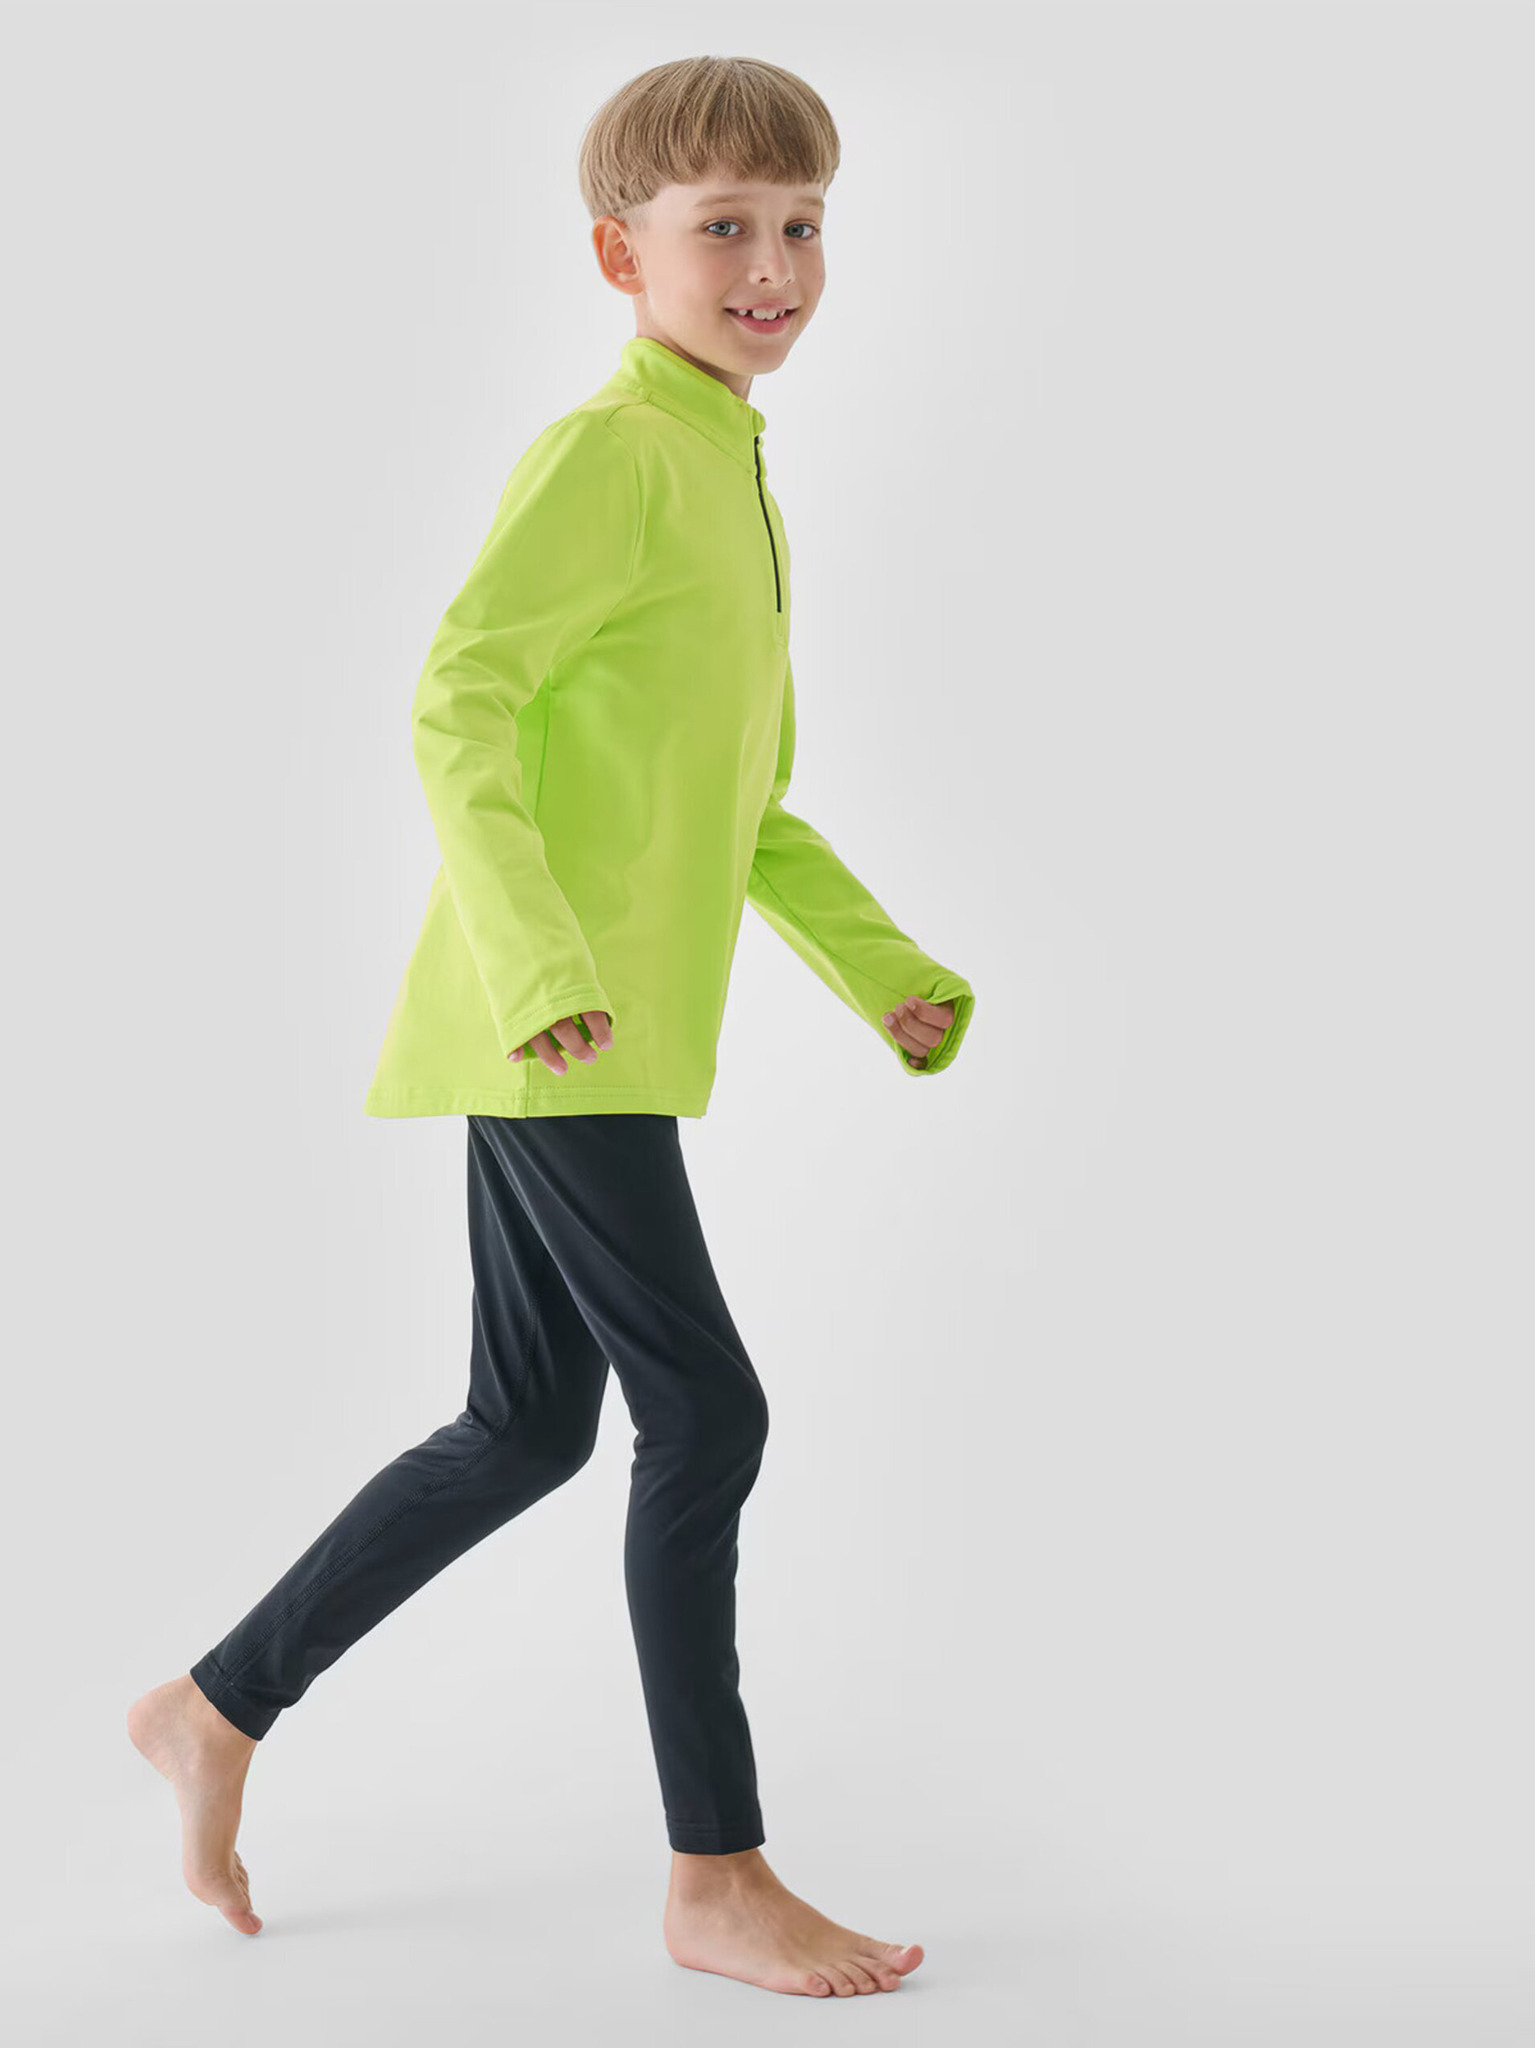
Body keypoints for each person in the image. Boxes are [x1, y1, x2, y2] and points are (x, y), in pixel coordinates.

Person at [128, 54, 973, 1999]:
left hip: (596, 1030)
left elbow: (746, 807)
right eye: (723, 227)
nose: (773, 266)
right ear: (620, 254)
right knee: (708, 1414)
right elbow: (459, 701)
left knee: (524, 1426)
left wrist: (888, 973)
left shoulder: (732, 468)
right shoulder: (615, 451)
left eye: (803, 224)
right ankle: (715, 1876)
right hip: (558, 1027)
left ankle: (217, 1702)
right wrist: (547, 975)